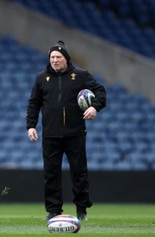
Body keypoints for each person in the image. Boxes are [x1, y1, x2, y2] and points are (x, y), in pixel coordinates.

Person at [26, 40, 106, 221]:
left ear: (66, 59)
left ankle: (82, 209)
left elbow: (100, 92)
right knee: (51, 174)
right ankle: (53, 210)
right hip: (50, 134)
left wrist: (94, 107)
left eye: (58, 57)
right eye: (52, 57)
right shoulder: (41, 78)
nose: (54, 60)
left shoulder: (80, 76)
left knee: (79, 173)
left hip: (75, 133)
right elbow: (34, 103)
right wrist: (31, 125)